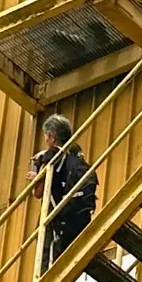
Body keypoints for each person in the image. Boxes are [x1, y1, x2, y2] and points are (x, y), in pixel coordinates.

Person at [29, 114, 97, 271]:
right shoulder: (77, 158)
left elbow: (37, 192)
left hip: (54, 220)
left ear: (52, 136)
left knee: (49, 264)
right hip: (74, 221)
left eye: (46, 136)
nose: (45, 140)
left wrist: (36, 175)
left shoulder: (51, 157)